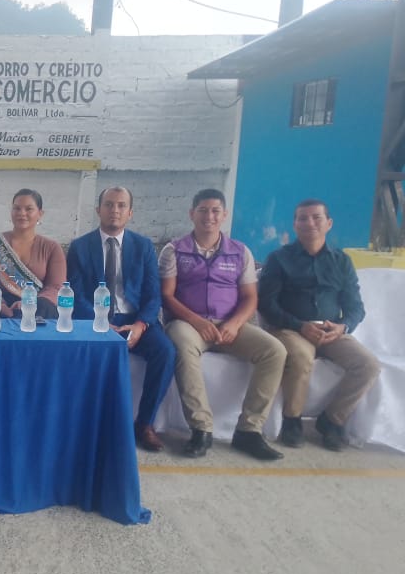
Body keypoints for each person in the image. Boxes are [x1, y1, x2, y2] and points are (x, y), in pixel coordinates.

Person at [159, 189, 286, 461]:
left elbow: (250, 297)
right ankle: (201, 428)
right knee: (182, 345)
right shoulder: (174, 250)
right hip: (188, 323)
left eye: (215, 211)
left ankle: (249, 430)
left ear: (224, 215)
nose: (209, 216)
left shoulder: (240, 252)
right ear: (192, 214)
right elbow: (167, 296)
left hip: (229, 324)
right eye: (203, 210)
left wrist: (235, 324)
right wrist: (196, 321)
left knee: (275, 351)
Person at [258, 199, 381, 451]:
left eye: (316, 217)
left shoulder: (341, 261)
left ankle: (332, 420)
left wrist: (342, 327)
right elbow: (267, 304)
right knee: (301, 357)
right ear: (295, 224)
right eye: (302, 218)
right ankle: (292, 420)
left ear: (329, 223)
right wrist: (300, 326)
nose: (309, 223)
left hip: (331, 331)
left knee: (368, 365)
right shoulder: (279, 259)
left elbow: (355, 307)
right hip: (290, 329)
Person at [67, 186, 175, 452]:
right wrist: (101, 323)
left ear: (130, 212)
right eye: (108, 204)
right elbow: (76, 294)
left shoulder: (143, 246)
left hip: (134, 318)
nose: (114, 210)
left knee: (166, 352)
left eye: (121, 205)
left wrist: (140, 325)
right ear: (98, 210)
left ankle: (145, 423)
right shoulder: (80, 247)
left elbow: (153, 295)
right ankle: (88, 424)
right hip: (94, 319)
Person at [0, 188, 66, 319]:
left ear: (40, 213)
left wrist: (29, 303)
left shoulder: (51, 247)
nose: (22, 213)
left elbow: (56, 287)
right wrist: (1, 306)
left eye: (29, 209)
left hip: (39, 309)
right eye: (17, 208)